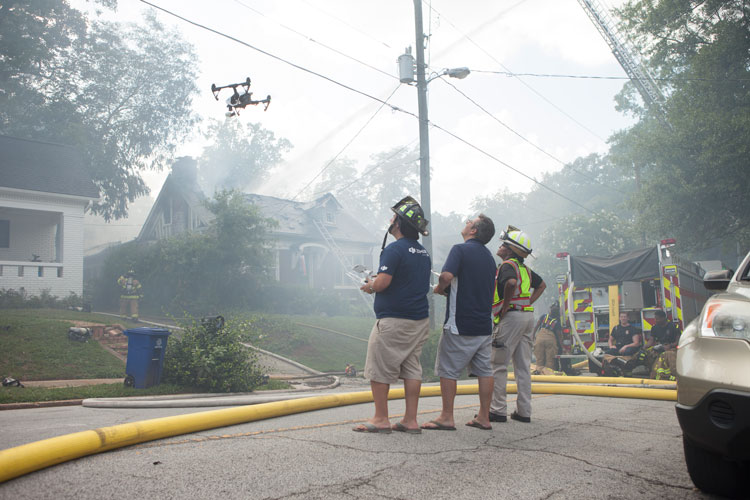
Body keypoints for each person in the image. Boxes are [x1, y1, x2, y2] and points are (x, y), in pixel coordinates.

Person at [353, 196, 431, 434]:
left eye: (393, 216)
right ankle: (410, 420)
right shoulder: (423, 253)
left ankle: (380, 419)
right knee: (411, 368)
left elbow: (384, 283)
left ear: (397, 223)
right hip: (419, 320)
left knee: (379, 367)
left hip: (393, 320)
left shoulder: (394, 249)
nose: (390, 219)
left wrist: (371, 285)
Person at [421, 214, 497, 431]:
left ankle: (446, 416)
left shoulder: (460, 250)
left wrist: (440, 288)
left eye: (468, 222)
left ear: (473, 231)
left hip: (460, 322)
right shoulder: (489, 257)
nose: (465, 224)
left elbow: (446, 276)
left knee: (448, 369)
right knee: (484, 370)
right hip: (484, 324)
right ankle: (484, 416)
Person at [489, 226, 546, 423]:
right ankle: (524, 412)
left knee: (498, 365)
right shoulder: (525, 269)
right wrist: (527, 302)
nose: (500, 247)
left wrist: (505, 306)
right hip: (527, 318)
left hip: (511, 318)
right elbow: (542, 285)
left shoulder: (507, 266)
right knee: (522, 367)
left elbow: (511, 284)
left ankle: (497, 410)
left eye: (503, 244)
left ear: (511, 250)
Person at [646, 310, 681, 380]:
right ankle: (652, 373)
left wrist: (670, 346)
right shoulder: (654, 328)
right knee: (647, 355)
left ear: (663, 318)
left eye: (657, 318)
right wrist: (644, 348)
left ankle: (672, 375)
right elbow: (651, 340)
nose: (655, 320)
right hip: (659, 347)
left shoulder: (673, 327)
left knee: (668, 355)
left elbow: (678, 341)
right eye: (655, 318)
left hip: (671, 348)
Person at [533, 304, 562, 371]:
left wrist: (533, 335)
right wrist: (562, 346)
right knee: (550, 360)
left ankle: (539, 373)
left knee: (539, 358)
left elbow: (536, 326)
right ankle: (548, 375)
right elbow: (559, 336)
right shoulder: (557, 322)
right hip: (550, 340)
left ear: (550, 311)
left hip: (539, 339)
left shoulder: (544, 316)